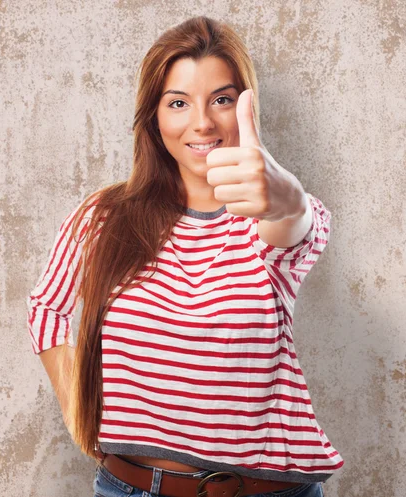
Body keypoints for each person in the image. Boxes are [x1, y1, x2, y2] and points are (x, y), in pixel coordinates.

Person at [26, 15, 343, 497]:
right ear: (154, 117)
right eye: (178, 103)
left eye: (222, 99)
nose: (202, 122)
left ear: (245, 107)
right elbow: (45, 309)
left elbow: (294, 222)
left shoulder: (269, 219)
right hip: (129, 487)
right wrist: (81, 412)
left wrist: (288, 197)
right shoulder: (105, 216)